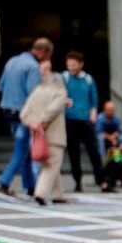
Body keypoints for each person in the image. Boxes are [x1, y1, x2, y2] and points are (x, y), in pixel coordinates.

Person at [0, 37, 52, 199]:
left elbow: (1, 86)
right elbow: (33, 93)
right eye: (48, 55)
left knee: (25, 150)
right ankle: (4, 183)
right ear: (42, 52)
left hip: (7, 109)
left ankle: (30, 186)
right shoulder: (33, 66)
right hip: (24, 113)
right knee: (21, 150)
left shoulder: (12, 61)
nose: (47, 59)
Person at [24, 60, 71, 206]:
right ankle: (41, 193)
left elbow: (24, 114)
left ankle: (58, 194)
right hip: (54, 136)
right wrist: (42, 122)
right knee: (51, 165)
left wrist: (33, 123)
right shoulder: (60, 92)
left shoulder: (37, 91)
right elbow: (54, 109)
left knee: (52, 164)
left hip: (37, 136)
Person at [62, 51, 104, 192]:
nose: (71, 68)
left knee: (93, 150)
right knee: (73, 152)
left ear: (81, 64)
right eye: (69, 65)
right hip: (69, 119)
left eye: (74, 65)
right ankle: (77, 181)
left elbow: (94, 100)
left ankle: (101, 180)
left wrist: (93, 114)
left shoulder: (88, 79)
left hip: (86, 120)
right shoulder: (64, 78)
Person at [95, 100, 122, 190]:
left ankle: (112, 181)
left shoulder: (116, 118)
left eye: (112, 110)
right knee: (100, 138)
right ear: (104, 110)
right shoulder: (100, 118)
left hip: (114, 147)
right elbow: (99, 132)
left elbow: (120, 131)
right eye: (108, 110)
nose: (110, 112)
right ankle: (103, 158)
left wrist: (114, 139)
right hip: (105, 145)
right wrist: (111, 139)